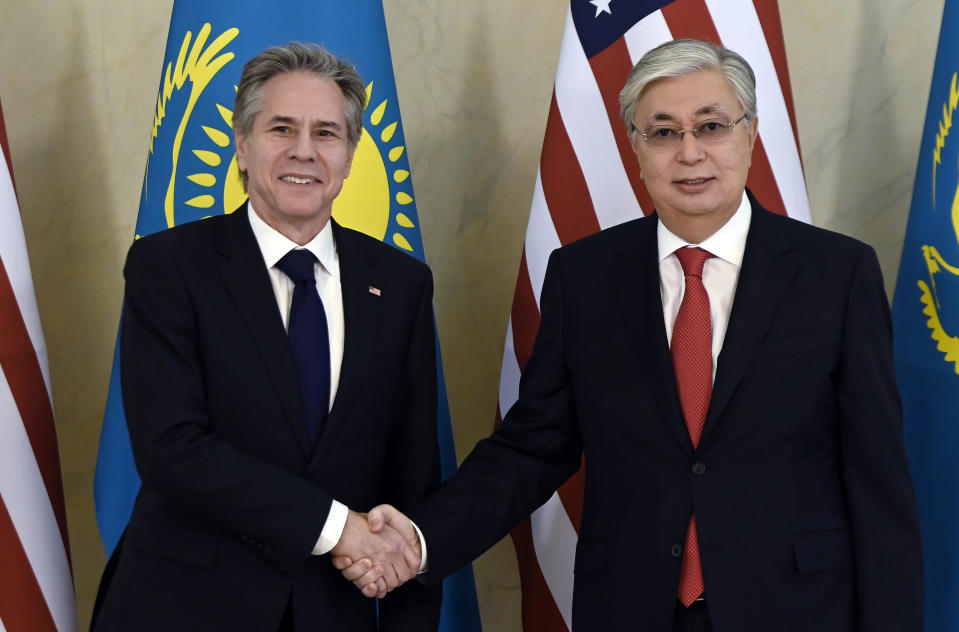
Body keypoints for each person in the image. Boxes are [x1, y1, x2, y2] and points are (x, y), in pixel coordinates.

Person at [338, 39, 924, 631]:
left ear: (749, 134)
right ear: (636, 148)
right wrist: (418, 540)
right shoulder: (584, 276)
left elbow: (879, 482)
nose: (690, 153)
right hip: (631, 609)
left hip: (797, 611)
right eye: (663, 132)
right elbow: (532, 448)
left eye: (712, 126)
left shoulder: (837, 274)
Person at [92, 42, 441, 631]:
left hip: (335, 611)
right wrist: (337, 528)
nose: (304, 151)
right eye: (282, 128)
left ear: (352, 156)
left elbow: (413, 474)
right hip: (184, 606)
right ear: (242, 145)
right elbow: (173, 450)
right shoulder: (170, 266)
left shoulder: (401, 285)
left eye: (327, 133)